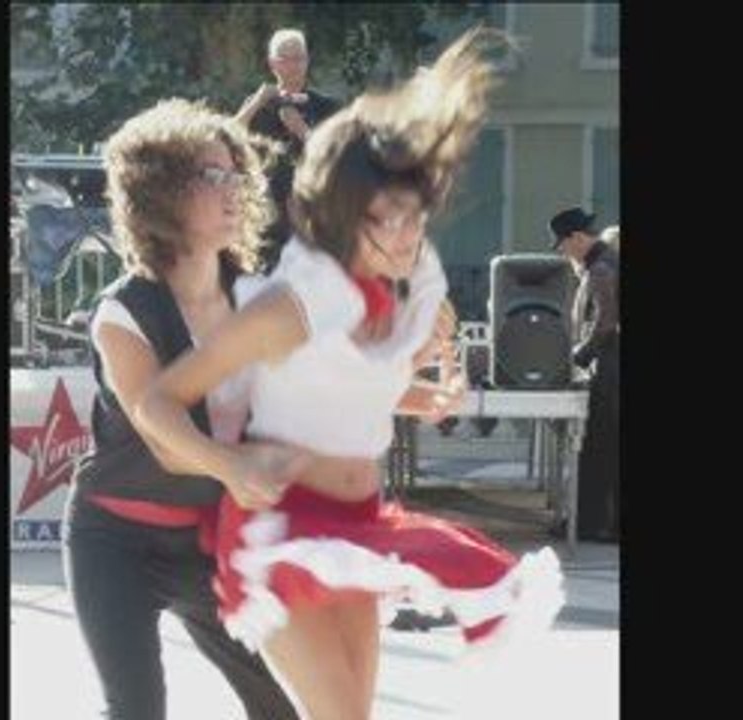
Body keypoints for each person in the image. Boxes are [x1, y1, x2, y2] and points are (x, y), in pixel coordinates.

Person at [137, 28, 564, 720]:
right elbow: (160, 400)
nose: (401, 236)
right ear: (339, 216)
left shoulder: (378, 293)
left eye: (411, 218)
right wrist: (227, 466)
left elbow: (335, 388)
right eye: (381, 220)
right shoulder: (289, 305)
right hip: (281, 530)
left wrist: (421, 397)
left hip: (360, 524)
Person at [61, 98, 301, 720]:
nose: (232, 191)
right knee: (137, 710)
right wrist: (237, 467)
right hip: (112, 540)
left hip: (208, 540)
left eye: (235, 175)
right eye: (210, 176)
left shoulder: (258, 298)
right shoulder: (123, 310)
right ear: (159, 193)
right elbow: (162, 433)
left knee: (281, 704)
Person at [235, 28, 341, 271]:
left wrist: (302, 130)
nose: (293, 65)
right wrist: (256, 104)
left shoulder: (328, 107)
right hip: (266, 221)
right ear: (272, 64)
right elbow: (224, 139)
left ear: (307, 61)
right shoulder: (258, 105)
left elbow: (338, 159)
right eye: (285, 58)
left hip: (314, 219)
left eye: (299, 58)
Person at [549, 207, 620, 542]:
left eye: (563, 244)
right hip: (609, 369)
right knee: (601, 449)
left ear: (577, 238)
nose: (563, 251)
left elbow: (605, 324)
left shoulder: (601, 268)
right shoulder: (603, 262)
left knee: (599, 449)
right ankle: (595, 522)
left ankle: (595, 524)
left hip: (609, 372)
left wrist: (579, 355)